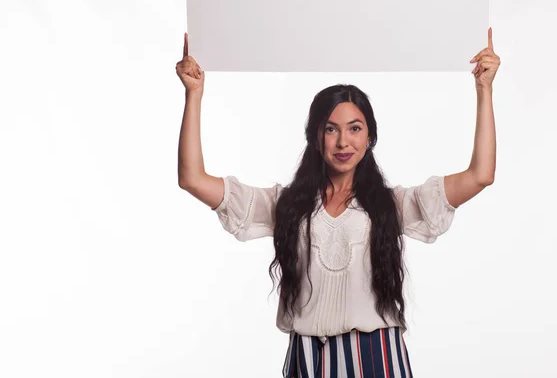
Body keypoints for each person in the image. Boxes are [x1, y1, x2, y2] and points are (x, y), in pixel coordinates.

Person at [176, 29, 500, 377]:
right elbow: (192, 178)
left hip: (375, 357)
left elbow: (480, 175)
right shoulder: (286, 205)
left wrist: (484, 90)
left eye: (355, 128)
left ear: (370, 136)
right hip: (307, 357)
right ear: (316, 137)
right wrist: (193, 95)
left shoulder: (392, 205)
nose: (343, 141)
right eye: (331, 129)